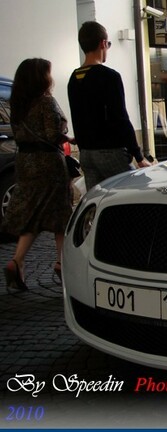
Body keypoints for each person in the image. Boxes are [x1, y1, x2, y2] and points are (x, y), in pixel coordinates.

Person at [2, 58, 73, 290]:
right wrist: (66, 134)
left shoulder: (18, 103)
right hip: (48, 163)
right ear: (42, 77)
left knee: (33, 212)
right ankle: (62, 263)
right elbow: (53, 133)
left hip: (25, 161)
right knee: (60, 213)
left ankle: (17, 260)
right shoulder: (46, 102)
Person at [67, 21, 151, 192]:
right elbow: (120, 118)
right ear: (103, 43)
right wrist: (139, 156)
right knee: (134, 194)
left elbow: (77, 117)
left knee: (99, 201)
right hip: (110, 153)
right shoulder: (109, 76)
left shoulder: (74, 78)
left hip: (86, 155)